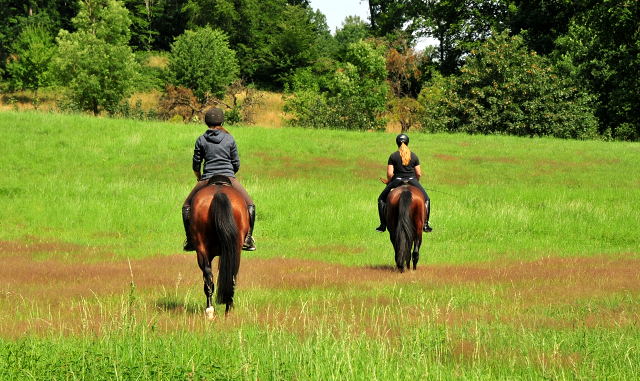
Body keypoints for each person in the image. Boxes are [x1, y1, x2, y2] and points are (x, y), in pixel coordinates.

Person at [181, 107, 256, 251]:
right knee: (250, 205)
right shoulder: (229, 138)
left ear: (206, 122)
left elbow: (196, 165)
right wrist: (230, 175)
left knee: (186, 206)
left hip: (207, 177)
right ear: (222, 120)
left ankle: (190, 240)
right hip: (229, 177)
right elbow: (236, 164)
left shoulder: (201, 139)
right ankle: (248, 239)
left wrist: (200, 179)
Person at [376, 133, 432, 233]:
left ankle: (383, 224)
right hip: (412, 180)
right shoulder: (414, 156)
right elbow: (418, 173)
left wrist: (390, 181)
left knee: (381, 199)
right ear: (407, 142)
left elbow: (389, 173)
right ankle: (426, 224)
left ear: (397, 143)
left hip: (397, 180)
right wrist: (415, 182)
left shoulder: (393, 156)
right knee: (426, 199)